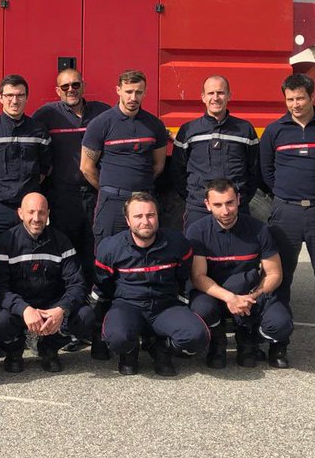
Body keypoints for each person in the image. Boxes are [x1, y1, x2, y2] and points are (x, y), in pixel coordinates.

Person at [258, 72, 315, 373]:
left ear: (312, 97)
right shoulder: (274, 131)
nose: (295, 104)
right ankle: (278, 342)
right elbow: (266, 173)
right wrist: (287, 196)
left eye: (300, 98)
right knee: (279, 280)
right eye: (289, 99)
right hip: (285, 213)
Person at [81, 70, 170, 359]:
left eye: (139, 92)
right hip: (110, 206)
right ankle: (100, 335)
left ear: (145, 92)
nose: (133, 97)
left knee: (147, 266)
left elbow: (157, 166)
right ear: (117, 90)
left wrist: (135, 201)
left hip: (143, 207)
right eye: (128, 91)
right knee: (105, 269)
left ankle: (148, 333)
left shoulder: (154, 126)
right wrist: (111, 193)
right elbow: (87, 167)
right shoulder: (101, 124)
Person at [92, 192, 209, 377]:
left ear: (157, 216)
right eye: (138, 216)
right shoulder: (110, 248)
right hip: (128, 306)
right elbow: (104, 284)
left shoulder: (177, 243)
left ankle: (161, 349)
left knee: (198, 337)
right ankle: (129, 351)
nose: (145, 221)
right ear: (128, 220)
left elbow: (182, 276)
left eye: (150, 215)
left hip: (165, 307)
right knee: (116, 338)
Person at [187, 179, 293, 369]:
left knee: (280, 324)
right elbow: (198, 277)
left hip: (250, 295)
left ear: (238, 199)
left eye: (229, 203)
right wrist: (230, 298)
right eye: (217, 205)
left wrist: (252, 296)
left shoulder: (259, 230)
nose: (225, 211)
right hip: (214, 295)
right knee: (201, 310)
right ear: (207, 205)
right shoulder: (197, 231)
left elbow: (274, 273)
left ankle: (250, 338)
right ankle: (217, 342)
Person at [31, 67, 109, 315]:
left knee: (94, 249)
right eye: (65, 87)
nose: (71, 90)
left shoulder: (102, 112)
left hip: (95, 194)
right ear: (57, 91)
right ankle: (69, 311)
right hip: (63, 196)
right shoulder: (46, 115)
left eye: (75, 85)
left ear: (83, 86)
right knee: (68, 253)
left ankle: (93, 313)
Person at [0, 192, 93, 373]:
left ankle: (49, 348)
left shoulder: (61, 241)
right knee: (0, 320)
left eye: (41, 213)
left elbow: (77, 285)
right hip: (20, 309)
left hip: (51, 307)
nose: (36, 218)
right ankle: (15, 350)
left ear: (48, 214)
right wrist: (24, 309)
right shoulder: (5, 242)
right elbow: (0, 289)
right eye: (31, 212)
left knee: (86, 316)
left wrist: (60, 310)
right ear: (20, 213)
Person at [0, 74, 51, 245]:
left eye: (20, 95)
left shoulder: (39, 132)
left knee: (26, 255)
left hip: (28, 207)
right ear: (0, 98)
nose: (15, 101)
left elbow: (45, 168)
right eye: (9, 96)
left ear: (27, 98)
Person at [171, 75, 260, 231]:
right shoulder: (188, 130)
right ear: (203, 97)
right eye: (211, 93)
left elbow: (255, 169)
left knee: (238, 253)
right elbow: (177, 171)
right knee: (196, 253)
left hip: (235, 208)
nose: (216, 98)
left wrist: (241, 199)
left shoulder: (245, 129)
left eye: (220, 93)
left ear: (229, 96)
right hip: (199, 209)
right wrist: (195, 198)